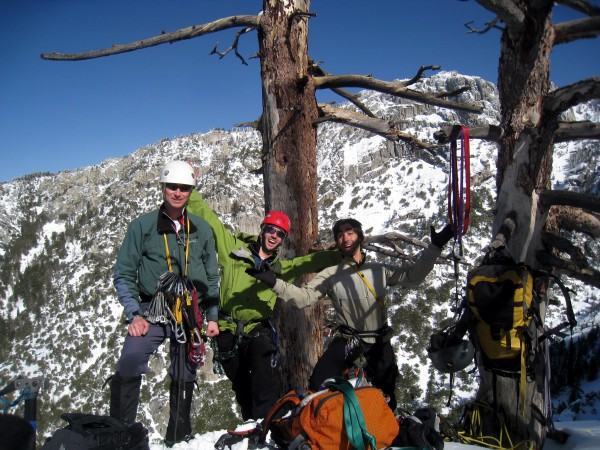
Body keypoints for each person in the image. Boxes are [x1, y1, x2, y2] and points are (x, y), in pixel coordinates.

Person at [248, 218, 454, 411]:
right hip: (348, 339)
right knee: (318, 385)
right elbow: (304, 297)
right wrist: (273, 282)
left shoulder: (378, 270)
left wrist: (435, 248)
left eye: (350, 232)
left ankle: (384, 431)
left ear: (360, 237)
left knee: (386, 394)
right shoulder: (331, 274)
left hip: (378, 340)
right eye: (339, 235)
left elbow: (413, 276)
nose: (345, 238)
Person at [187, 189, 341, 428]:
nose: (274, 236)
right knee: (239, 383)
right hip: (227, 327)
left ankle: (265, 426)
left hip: (258, 328)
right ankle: (251, 423)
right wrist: (190, 190)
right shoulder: (233, 251)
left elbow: (310, 262)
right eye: (271, 229)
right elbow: (211, 222)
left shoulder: (279, 268)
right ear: (262, 229)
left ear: (282, 239)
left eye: (280, 234)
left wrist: (345, 254)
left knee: (263, 374)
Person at [109, 160, 220, 446]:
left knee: (185, 370)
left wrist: (212, 316)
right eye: (172, 186)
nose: (178, 192)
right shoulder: (143, 227)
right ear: (162, 188)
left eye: (184, 188)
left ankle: (179, 432)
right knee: (131, 357)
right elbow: (124, 272)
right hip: (152, 309)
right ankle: (120, 431)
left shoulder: (201, 230)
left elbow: (211, 276)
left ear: (191, 191)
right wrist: (135, 314)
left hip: (188, 311)